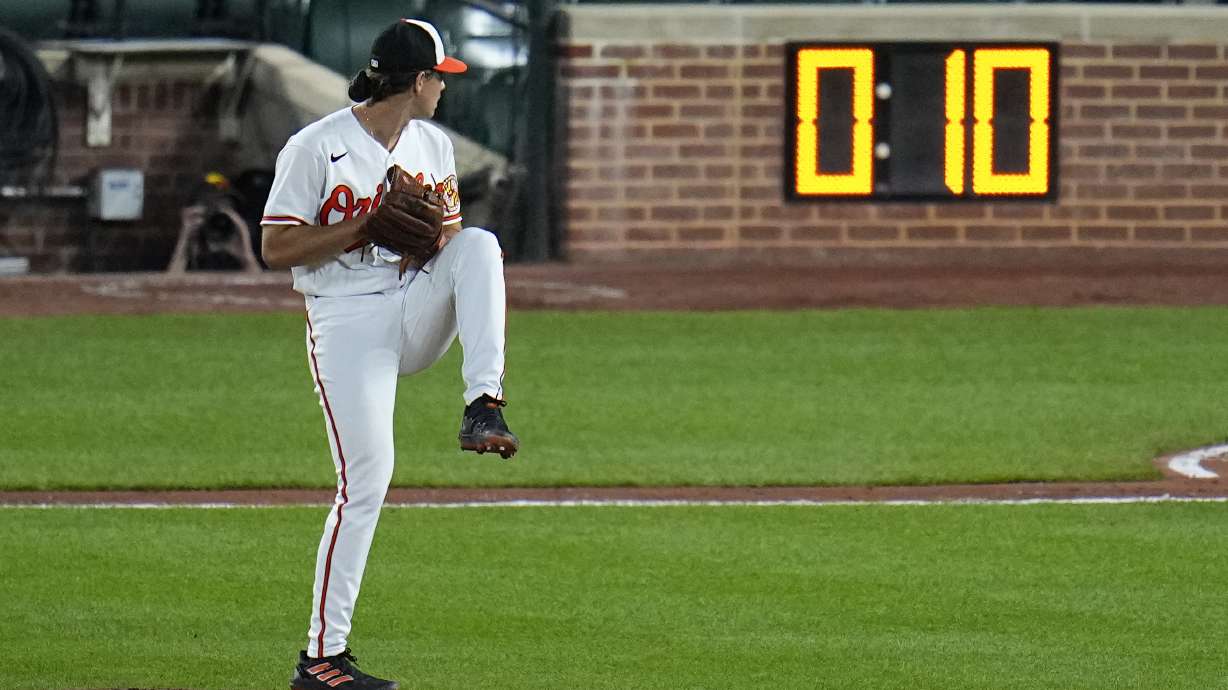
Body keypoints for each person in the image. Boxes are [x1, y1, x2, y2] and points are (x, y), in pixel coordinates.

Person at [260, 18, 520, 690]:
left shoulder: (434, 145)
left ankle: (483, 403)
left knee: (481, 247)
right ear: (417, 80)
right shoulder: (316, 147)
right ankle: (321, 658)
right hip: (346, 320)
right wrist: (361, 227)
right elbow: (277, 247)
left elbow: (450, 241)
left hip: (412, 300)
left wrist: (421, 234)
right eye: (441, 76)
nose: (445, 87)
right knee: (367, 478)